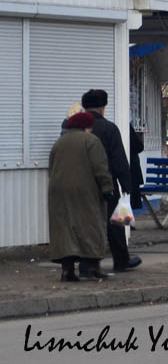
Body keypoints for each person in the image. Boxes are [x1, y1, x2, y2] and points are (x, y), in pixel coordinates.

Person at [48, 111, 115, 281]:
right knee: (92, 226)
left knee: (65, 229)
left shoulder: (59, 143)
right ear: (87, 126)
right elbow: (100, 168)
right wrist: (108, 188)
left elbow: (51, 168)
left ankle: (67, 271)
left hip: (58, 192)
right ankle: (93, 268)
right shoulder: (91, 141)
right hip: (86, 192)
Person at [81, 89, 142, 273]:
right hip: (106, 184)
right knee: (116, 223)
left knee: (86, 224)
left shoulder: (74, 128)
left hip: (82, 184)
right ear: (102, 108)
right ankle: (121, 260)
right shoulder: (108, 128)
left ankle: (86, 262)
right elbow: (119, 160)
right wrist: (126, 185)